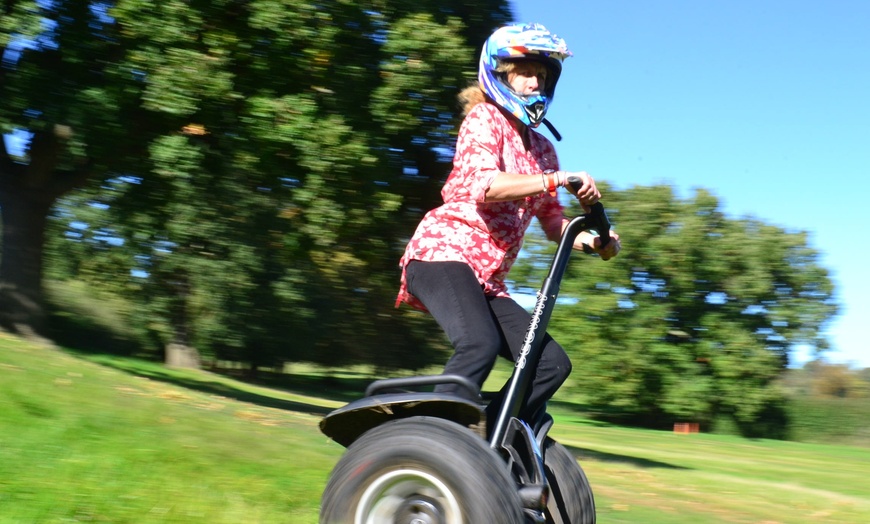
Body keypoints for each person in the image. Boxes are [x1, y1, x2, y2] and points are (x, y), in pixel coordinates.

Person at [395, 22, 621, 429]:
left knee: (551, 363)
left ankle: (489, 437)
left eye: (543, 74)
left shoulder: (543, 150)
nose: (535, 81)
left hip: (489, 282)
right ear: (500, 73)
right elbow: (485, 185)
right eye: (525, 71)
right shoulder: (483, 120)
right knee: (478, 344)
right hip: (442, 255)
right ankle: (432, 440)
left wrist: (597, 241)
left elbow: (554, 223)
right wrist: (557, 179)